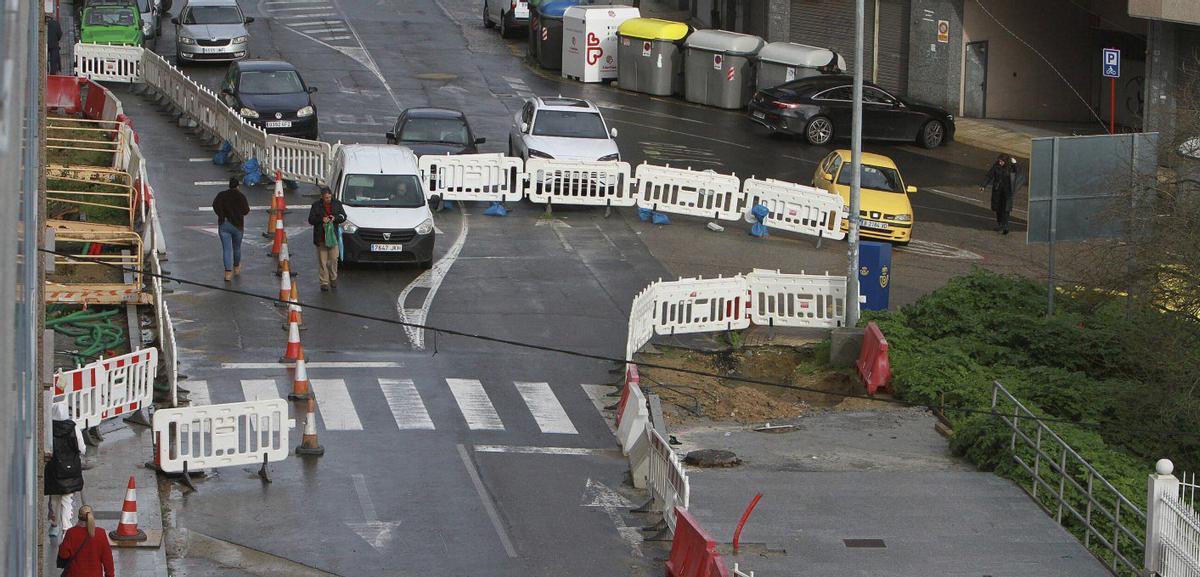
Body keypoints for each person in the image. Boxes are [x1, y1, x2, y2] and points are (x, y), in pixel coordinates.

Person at [45, 403, 85, 539]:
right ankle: (67, 529)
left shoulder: (49, 429)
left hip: (54, 469)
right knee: (67, 499)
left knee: (55, 499)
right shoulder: (74, 428)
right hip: (70, 469)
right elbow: (82, 448)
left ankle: (54, 525)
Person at [57, 505, 115, 577]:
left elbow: (64, 555)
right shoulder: (101, 533)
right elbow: (108, 560)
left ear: (78, 516)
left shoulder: (71, 533)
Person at [307, 186, 346, 291]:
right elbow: (311, 220)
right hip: (321, 237)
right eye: (326, 198)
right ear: (322, 197)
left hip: (333, 237)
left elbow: (343, 216)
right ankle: (324, 282)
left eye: (329, 197)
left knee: (334, 259)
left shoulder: (337, 204)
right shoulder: (316, 206)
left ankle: (333, 278)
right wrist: (321, 219)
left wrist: (335, 218)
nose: (328, 199)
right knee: (322, 261)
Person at [212, 177, 250, 282]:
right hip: (238, 226)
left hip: (224, 225)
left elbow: (215, 205)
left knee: (226, 250)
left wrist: (221, 215)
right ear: (238, 186)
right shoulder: (241, 196)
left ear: (229, 185)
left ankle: (228, 273)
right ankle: (236, 268)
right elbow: (246, 211)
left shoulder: (221, 195)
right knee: (237, 248)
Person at [980, 155, 1026, 235]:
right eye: (999, 161)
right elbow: (989, 175)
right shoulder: (996, 166)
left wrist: (1015, 164)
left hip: (1007, 192)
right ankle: (1000, 224)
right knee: (998, 208)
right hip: (997, 191)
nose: (1000, 162)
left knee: (1006, 209)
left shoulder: (1011, 167)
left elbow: (1019, 173)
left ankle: (1005, 226)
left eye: (1002, 161)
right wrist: (983, 185)